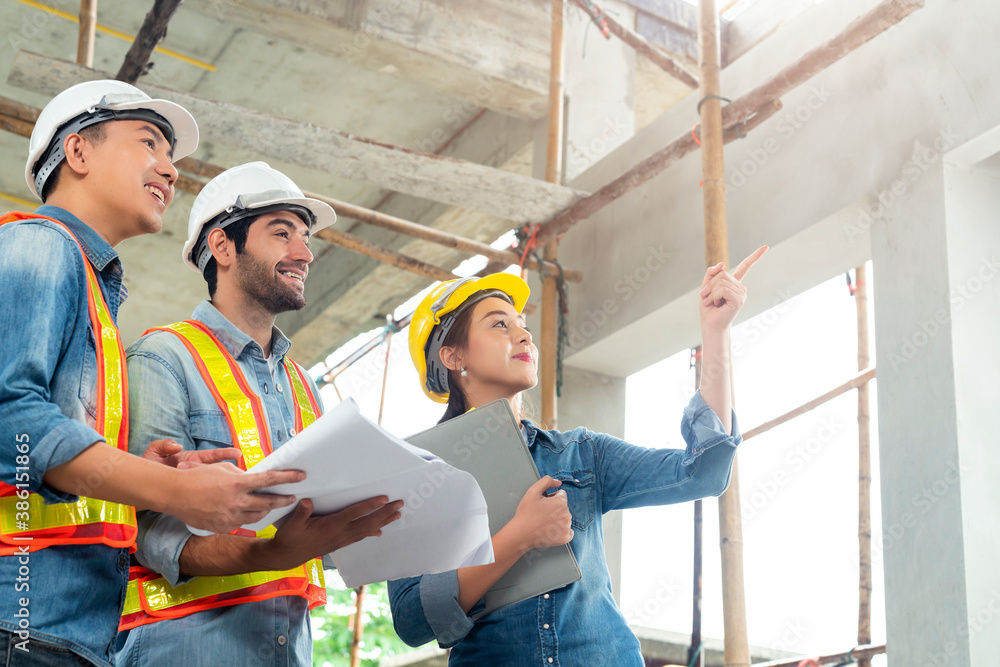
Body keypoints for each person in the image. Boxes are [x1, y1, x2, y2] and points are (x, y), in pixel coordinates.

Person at [0, 82, 305, 666]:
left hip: (69, 630)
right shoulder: (38, 246)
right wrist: (171, 490)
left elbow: (51, 455)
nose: (169, 169)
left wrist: (148, 470)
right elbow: (12, 421)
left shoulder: (97, 297)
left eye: (171, 157)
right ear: (79, 153)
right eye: (149, 143)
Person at [389, 247, 767, 666]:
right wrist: (519, 537)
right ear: (453, 356)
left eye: (522, 325)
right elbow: (412, 620)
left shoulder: (580, 453)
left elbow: (704, 473)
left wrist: (715, 333)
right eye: (499, 324)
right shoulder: (419, 475)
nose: (524, 335)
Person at [115, 162, 404, 666]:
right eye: (282, 232)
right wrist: (270, 553)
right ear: (224, 247)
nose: (305, 253)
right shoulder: (164, 356)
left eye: (305, 236)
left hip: (288, 646)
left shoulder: (301, 383)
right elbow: (147, 529)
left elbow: (316, 525)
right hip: (184, 647)